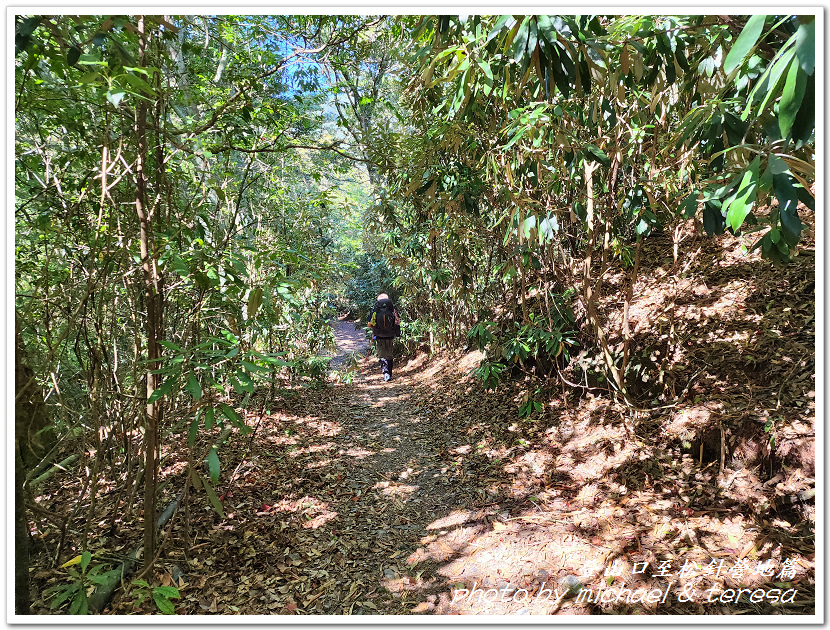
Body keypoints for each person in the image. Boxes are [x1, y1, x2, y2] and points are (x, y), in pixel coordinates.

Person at [368, 293, 400, 381]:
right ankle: (389, 373)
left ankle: (386, 374)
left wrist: (376, 328)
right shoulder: (393, 310)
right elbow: (398, 322)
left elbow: (369, 324)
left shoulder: (375, 311)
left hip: (378, 336)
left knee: (382, 355)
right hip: (390, 335)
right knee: (389, 355)